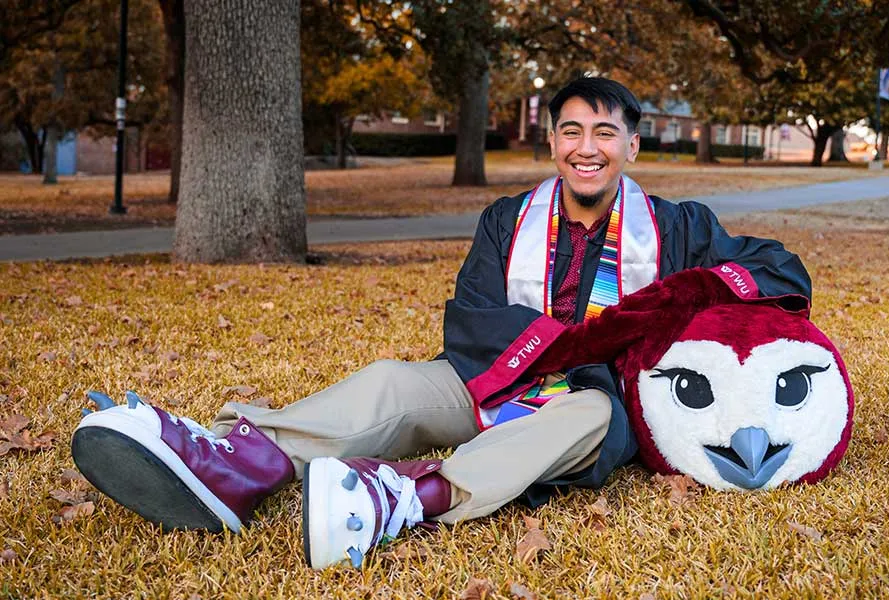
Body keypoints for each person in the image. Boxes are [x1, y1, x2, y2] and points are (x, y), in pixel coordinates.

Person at [71, 77, 811, 570]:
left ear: (633, 145)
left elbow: (782, 273)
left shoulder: (681, 227)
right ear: (552, 142)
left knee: (586, 410)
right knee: (395, 380)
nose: (589, 147)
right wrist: (549, 348)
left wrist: (696, 292)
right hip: (493, 381)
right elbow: (470, 320)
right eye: (573, 131)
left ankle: (407, 497)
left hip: (594, 401)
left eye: (607, 133)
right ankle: (239, 464)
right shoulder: (506, 219)